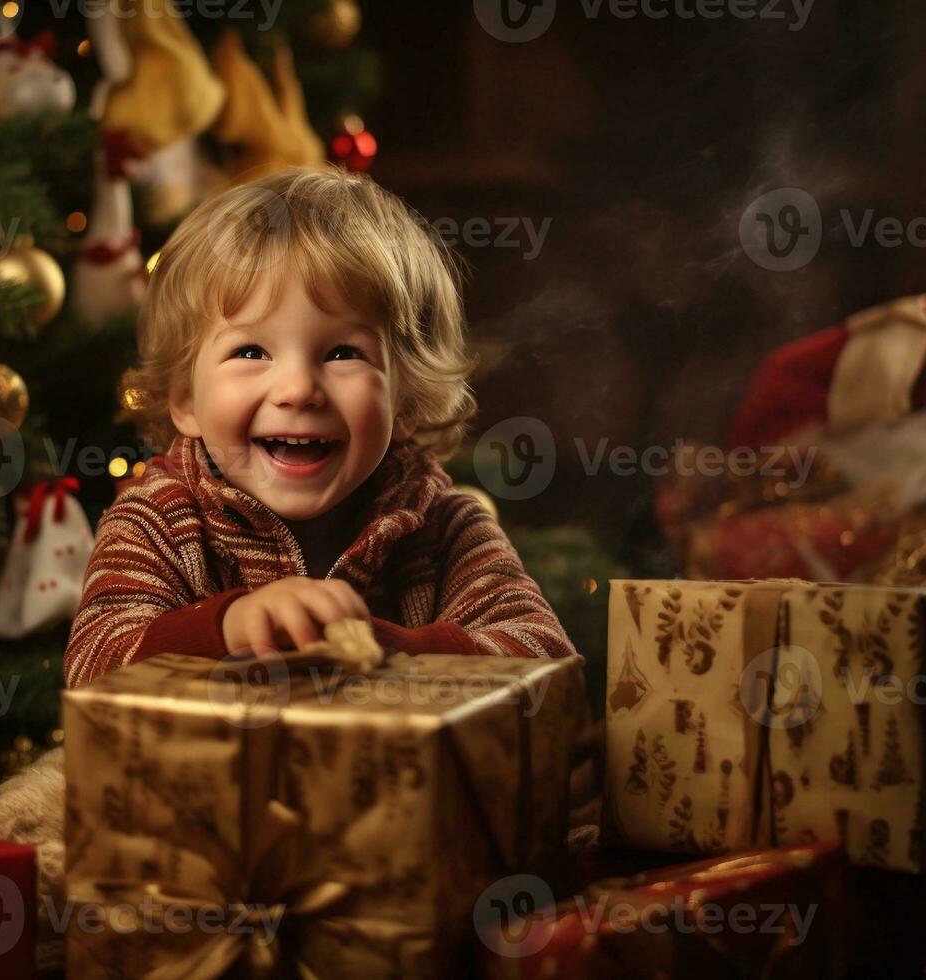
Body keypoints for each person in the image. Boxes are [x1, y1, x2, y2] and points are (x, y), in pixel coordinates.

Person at [63, 166, 575, 688]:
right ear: (185, 400)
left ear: (406, 402)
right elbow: (93, 666)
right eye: (250, 351)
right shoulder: (158, 522)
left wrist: (395, 652)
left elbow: (546, 660)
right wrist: (230, 626)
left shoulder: (443, 527)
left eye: (342, 352)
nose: (298, 389)